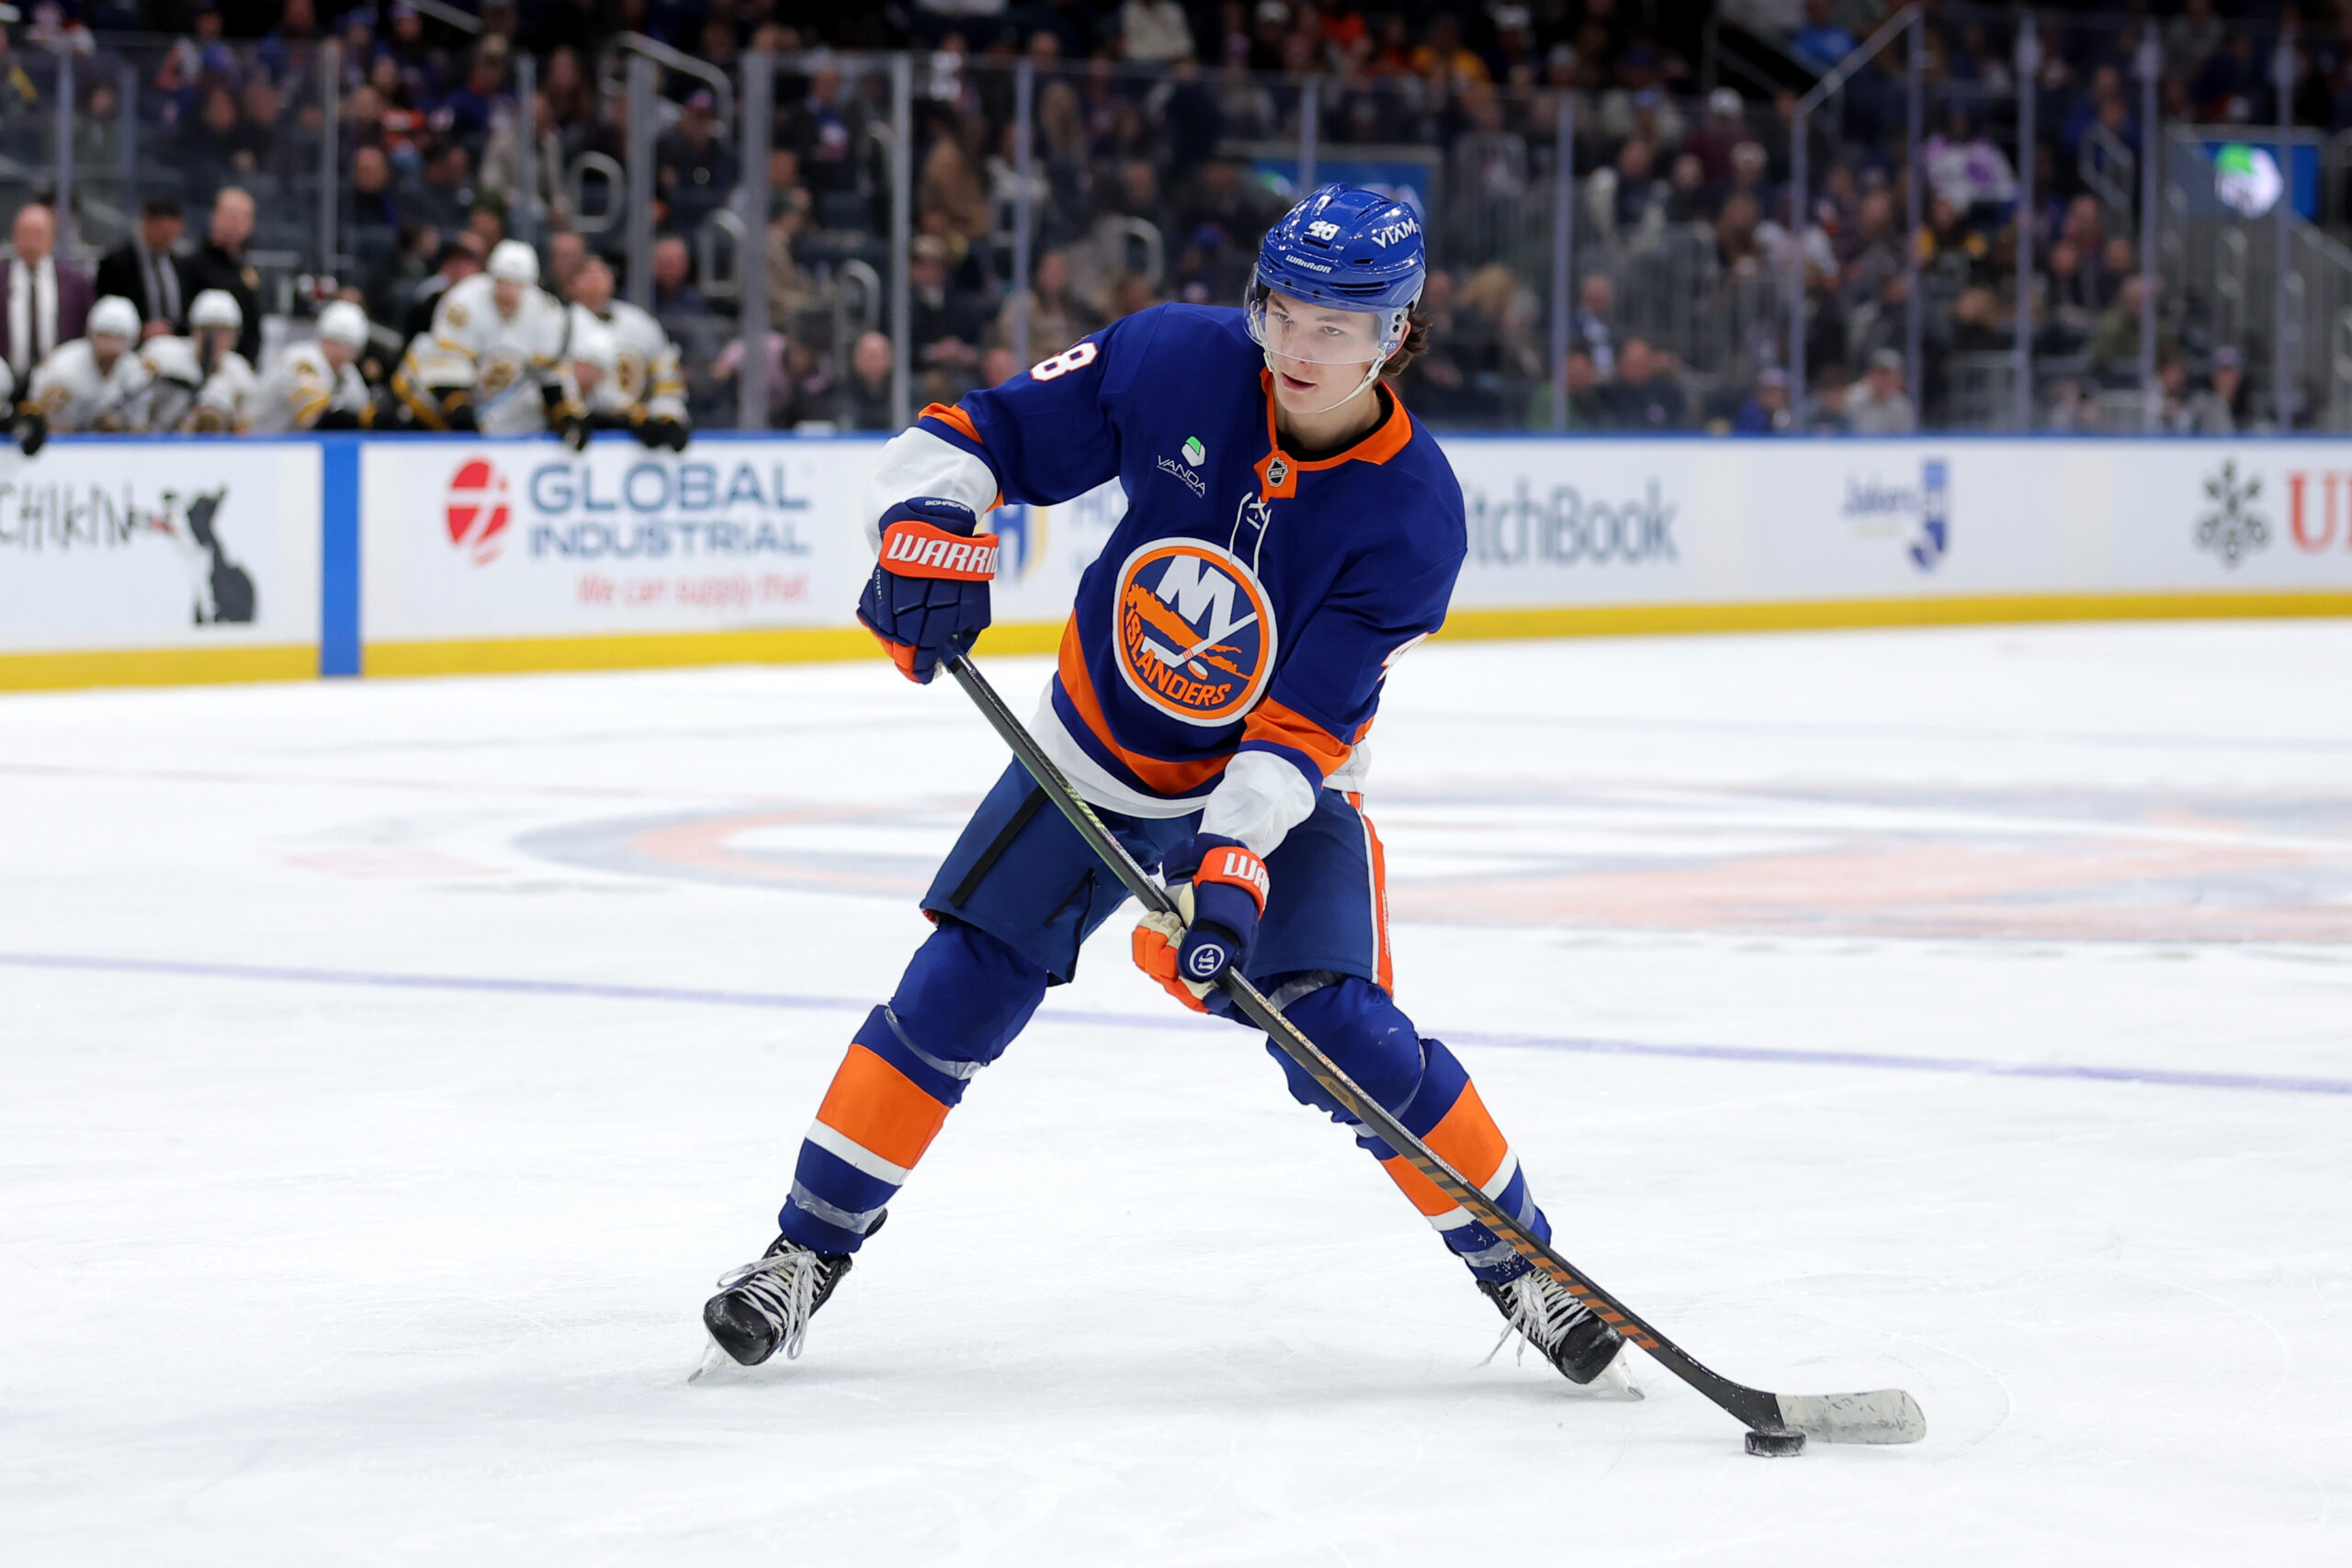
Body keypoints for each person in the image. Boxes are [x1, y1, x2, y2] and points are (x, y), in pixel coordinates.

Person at [696, 185, 1640, 1401]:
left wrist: (1228, 864)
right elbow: (973, 435)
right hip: (1096, 747)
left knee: (1334, 1028)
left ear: (1396, 333)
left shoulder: (1413, 511)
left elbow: (1304, 718)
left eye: (1340, 327)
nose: (1302, 347)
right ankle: (802, 1252)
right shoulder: (1174, 360)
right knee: (955, 990)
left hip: (1285, 787)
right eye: (1285, 311)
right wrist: (924, 529)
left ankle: (1525, 1263)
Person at [392, 238, 585, 445]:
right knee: (422, 360)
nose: (509, 292)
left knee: (535, 405)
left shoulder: (547, 312)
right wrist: (458, 406)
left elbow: (550, 375)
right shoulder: (463, 301)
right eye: (503, 282)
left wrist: (566, 414)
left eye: (517, 284)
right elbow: (446, 361)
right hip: (462, 389)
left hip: (506, 398)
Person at [565, 254, 688, 450]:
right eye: (587, 273)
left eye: (602, 271)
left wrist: (667, 415)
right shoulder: (563, 325)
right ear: (571, 285)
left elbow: (666, 372)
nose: (596, 279)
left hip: (639, 429)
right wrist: (632, 416)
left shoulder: (639, 322)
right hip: (585, 429)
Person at [17, 296, 153, 454]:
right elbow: (47, 424)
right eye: (105, 335)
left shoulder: (136, 373)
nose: (111, 345)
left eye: (119, 337)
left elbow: (139, 430)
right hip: (60, 448)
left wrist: (117, 427)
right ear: (91, 334)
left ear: (132, 340)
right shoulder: (63, 368)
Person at [2, 201, 96, 383]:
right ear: (14, 236)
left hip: (60, 383)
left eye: (37, 233)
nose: (30, 242)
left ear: (51, 236)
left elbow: (88, 329)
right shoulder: (1, 277)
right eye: (24, 233)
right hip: (5, 381)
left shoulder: (76, 281)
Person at [141, 288, 257, 432]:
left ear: (235, 336)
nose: (214, 339)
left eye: (223, 331)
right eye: (206, 330)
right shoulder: (164, 356)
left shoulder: (239, 371)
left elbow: (246, 427)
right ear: (193, 330)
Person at [251, 301, 377, 432]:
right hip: (257, 442)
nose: (346, 351)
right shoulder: (302, 360)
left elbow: (363, 412)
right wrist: (363, 419)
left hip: (291, 445)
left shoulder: (348, 372)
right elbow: (316, 418)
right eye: (336, 342)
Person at [181, 188, 264, 365]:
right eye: (230, 215)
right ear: (214, 217)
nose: (234, 223)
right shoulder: (192, 265)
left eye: (242, 217)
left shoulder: (246, 268)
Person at [96, 197, 189, 339]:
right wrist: (141, 330)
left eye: (173, 234)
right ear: (147, 223)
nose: (169, 239)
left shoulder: (181, 264)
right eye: (164, 233)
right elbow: (107, 311)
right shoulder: (116, 264)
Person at [1847, 347, 1918, 434]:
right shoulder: (1851, 399)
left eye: (1889, 375)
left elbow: (1907, 440)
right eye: (1880, 374)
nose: (1884, 380)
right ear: (1869, 375)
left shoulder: (1902, 405)